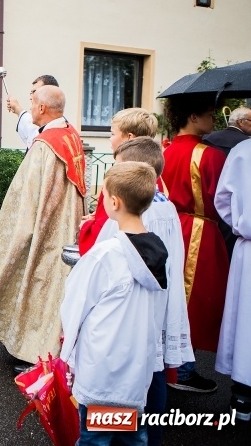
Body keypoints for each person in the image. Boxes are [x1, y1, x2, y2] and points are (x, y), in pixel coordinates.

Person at [0, 85, 86, 373]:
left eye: (33, 101)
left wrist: (16, 235)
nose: (31, 105)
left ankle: (40, 353)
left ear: (43, 109)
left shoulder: (46, 145)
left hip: (47, 228)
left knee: (40, 284)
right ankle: (56, 347)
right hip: (67, 221)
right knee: (58, 288)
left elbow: (28, 198)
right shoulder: (70, 135)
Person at [95, 137, 194, 446]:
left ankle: (119, 435)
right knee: (155, 370)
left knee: (126, 382)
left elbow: (105, 267)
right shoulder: (167, 206)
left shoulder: (127, 218)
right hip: (161, 300)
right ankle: (152, 436)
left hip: (131, 309)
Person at [61, 161, 167, 446]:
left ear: (114, 202)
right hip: (135, 374)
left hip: (102, 373)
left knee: (95, 439)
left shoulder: (105, 255)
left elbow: (75, 305)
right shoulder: (158, 250)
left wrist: (66, 356)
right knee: (131, 438)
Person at [161, 93, 228, 394]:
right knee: (196, 299)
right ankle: (183, 370)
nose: (213, 120)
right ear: (193, 117)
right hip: (199, 230)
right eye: (209, 114)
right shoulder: (209, 155)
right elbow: (223, 199)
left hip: (168, 225)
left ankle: (169, 364)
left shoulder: (164, 150)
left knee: (170, 294)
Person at [79, 107, 159, 255]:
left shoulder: (120, 177)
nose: (110, 138)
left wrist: (87, 225)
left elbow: (102, 230)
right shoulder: (155, 170)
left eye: (112, 133)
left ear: (129, 137)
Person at [214, 138, 251, 421]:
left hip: (248, 245)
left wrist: (239, 225)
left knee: (246, 322)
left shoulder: (242, 151)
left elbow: (222, 200)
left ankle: (243, 395)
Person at [204, 106, 251, 258]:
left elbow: (222, 197)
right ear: (241, 122)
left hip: (236, 226)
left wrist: (237, 223)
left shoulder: (209, 140)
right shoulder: (243, 144)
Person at [4, 74, 58, 149]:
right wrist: (17, 108)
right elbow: (32, 130)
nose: (31, 97)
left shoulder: (51, 135)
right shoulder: (55, 126)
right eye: (31, 93)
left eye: (34, 92)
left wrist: (17, 108)